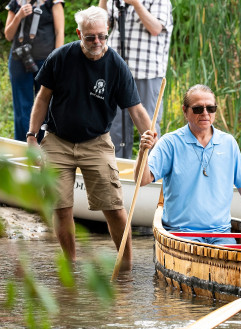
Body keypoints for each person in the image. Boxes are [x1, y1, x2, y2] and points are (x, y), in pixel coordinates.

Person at [26, 6, 152, 270]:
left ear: (108, 33)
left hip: (96, 141)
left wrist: (149, 137)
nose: (97, 43)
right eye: (91, 37)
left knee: (114, 207)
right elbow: (42, 98)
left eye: (102, 37)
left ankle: (125, 266)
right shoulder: (60, 57)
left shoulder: (116, 65)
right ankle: (70, 264)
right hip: (58, 140)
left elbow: (136, 109)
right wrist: (32, 136)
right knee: (60, 207)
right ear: (79, 33)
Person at [135, 84, 241, 244]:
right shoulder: (170, 143)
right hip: (182, 233)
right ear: (185, 110)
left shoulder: (228, 142)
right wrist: (142, 152)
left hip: (221, 233)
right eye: (198, 109)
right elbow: (142, 180)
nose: (205, 113)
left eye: (210, 108)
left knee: (232, 261)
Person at [98, 0, 173, 159]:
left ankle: (151, 170)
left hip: (147, 72)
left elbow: (155, 28)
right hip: (117, 72)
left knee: (149, 127)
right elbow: (101, 25)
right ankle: (117, 169)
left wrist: (136, 4)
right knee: (115, 127)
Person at [5, 0, 65, 142]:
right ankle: (23, 148)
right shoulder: (16, 2)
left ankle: (43, 148)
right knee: (22, 108)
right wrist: (19, 16)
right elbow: (8, 35)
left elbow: (59, 32)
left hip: (45, 62)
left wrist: (55, 61)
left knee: (45, 106)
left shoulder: (53, 2)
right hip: (19, 60)